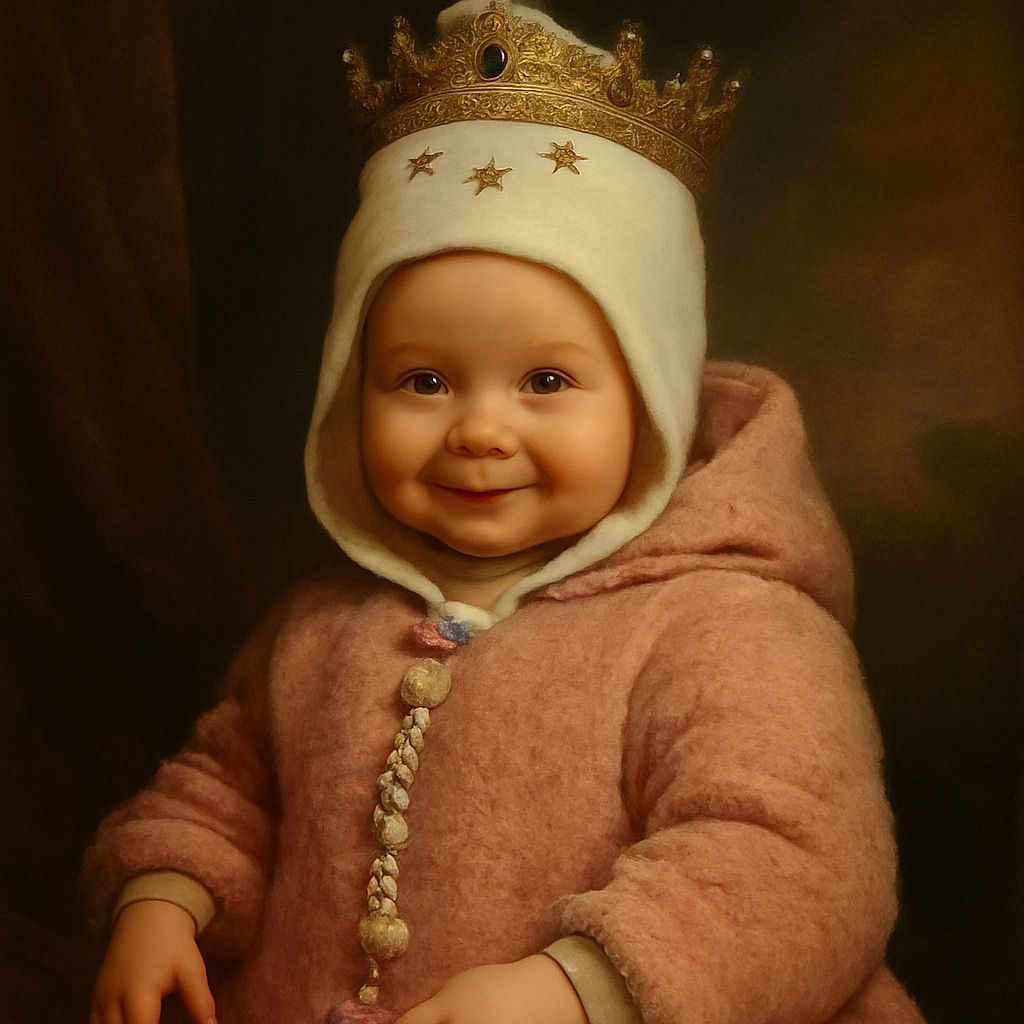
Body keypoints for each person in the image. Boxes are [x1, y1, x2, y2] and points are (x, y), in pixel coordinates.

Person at [84, 3, 925, 1023]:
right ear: (353, 387)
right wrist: (166, 893)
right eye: (425, 380)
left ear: (652, 395)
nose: (480, 430)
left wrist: (575, 989)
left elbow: (796, 860)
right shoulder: (323, 621)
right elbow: (231, 782)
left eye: (544, 380)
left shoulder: (726, 623)